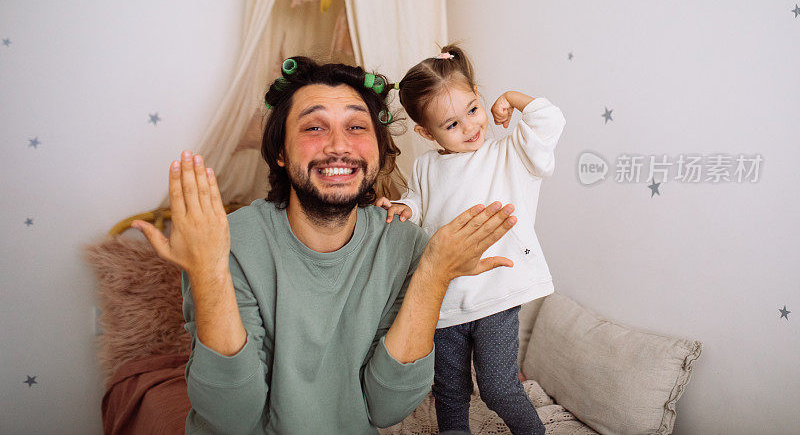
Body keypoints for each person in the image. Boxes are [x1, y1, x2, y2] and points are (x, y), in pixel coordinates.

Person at [132, 56, 519, 434]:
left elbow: (387, 409)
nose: (338, 146)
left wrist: (434, 274)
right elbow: (230, 417)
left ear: (379, 148)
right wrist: (208, 273)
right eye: (314, 128)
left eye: (356, 127)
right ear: (281, 152)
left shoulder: (406, 245)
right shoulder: (226, 242)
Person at [376, 45, 566, 435]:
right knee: (449, 390)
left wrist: (511, 99)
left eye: (473, 110)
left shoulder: (509, 154)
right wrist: (405, 207)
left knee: (497, 388)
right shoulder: (427, 166)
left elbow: (549, 119)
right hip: (445, 300)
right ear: (426, 132)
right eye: (451, 125)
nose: (469, 127)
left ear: (479, 96)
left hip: (496, 294)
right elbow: (419, 202)